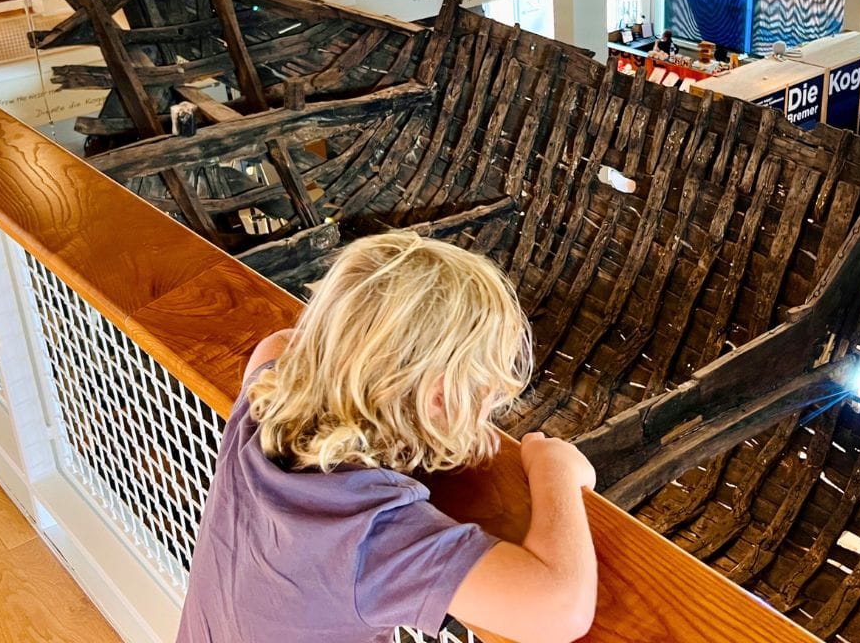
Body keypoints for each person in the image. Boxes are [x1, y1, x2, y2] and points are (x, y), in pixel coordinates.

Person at [177, 232, 598, 643]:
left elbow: (282, 343)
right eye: (483, 392)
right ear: (439, 399)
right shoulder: (374, 537)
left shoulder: (262, 411)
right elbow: (562, 611)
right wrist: (555, 469)